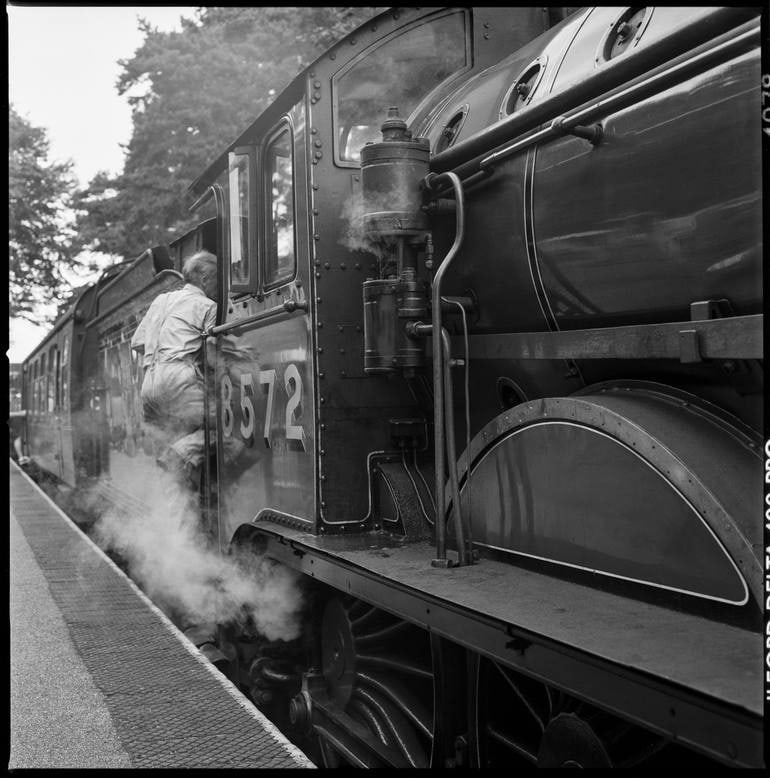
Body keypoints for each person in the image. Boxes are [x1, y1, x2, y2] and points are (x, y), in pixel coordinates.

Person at [131, 251, 218, 486]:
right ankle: (175, 456)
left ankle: (180, 502)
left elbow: (137, 343)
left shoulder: (161, 300)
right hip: (178, 377)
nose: (219, 288)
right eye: (218, 280)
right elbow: (211, 356)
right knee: (221, 426)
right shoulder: (208, 306)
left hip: (149, 383)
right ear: (205, 279)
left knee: (175, 435)